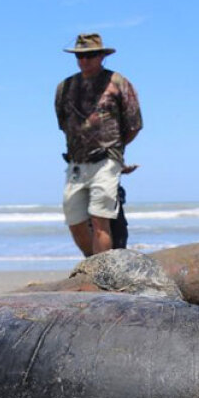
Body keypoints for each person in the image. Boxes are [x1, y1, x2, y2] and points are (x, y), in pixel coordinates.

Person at [55, 33, 142, 256]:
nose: (84, 61)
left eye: (90, 55)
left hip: (106, 160)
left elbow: (134, 124)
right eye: (80, 56)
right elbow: (64, 125)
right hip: (76, 163)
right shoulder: (65, 87)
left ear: (102, 56)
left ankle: (101, 271)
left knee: (100, 218)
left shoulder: (118, 83)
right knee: (74, 219)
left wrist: (115, 152)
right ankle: (93, 264)